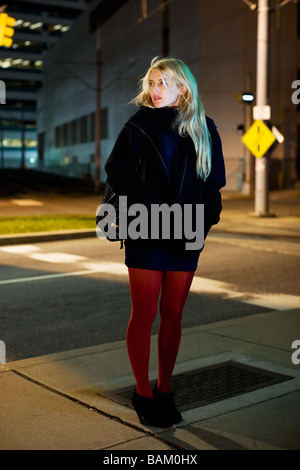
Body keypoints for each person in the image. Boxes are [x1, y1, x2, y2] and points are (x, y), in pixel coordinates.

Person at [104, 57, 226, 428]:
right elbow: (117, 171)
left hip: (185, 234)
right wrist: (148, 204)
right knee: (144, 314)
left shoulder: (204, 128)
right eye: (152, 83)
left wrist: (202, 221)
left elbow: (213, 184)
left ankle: (165, 388)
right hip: (146, 230)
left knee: (173, 314)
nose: (154, 90)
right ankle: (142, 391)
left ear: (182, 88)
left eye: (162, 83)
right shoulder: (138, 124)